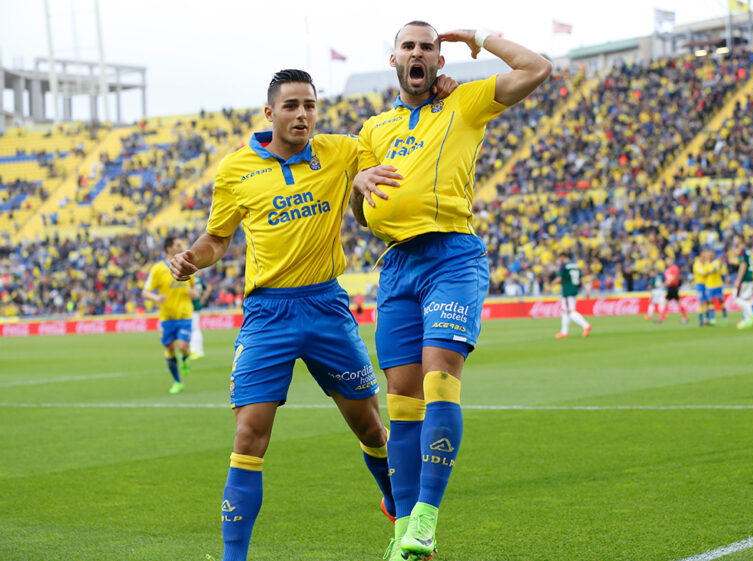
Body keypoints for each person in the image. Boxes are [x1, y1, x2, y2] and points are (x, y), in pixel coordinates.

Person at [169, 69, 456, 561]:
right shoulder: (235, 169)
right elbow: (217, 238)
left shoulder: (340, 150)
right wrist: (194, 258)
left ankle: (395, 502)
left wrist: (436, 91)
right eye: (291, 106)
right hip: (266, 315)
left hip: (327, 308)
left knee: (370, 426)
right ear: (269, 113)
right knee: (248, 435)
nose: (302, 114)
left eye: (310, 105)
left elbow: (397, 129)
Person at [351, 21, 551, 560]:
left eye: (428, 47)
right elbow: (362, 210)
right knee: (402, 402)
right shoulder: (373, 129)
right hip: (394, 265)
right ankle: (402, 540)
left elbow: (537, 69)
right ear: (393, 57)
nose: (417, 53)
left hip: (450, 257)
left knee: (440, 376)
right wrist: (356, 186)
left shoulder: (463, 103)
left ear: (439, 61)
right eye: (409, 46)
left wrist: (482, 38)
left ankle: (426, 519)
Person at [142, 235, 197, 394]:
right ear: (169, 248)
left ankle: (185, 358)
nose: (181, 247)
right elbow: (145, 292)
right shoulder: (157, 269)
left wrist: (194, 292)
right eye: (178, 245)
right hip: (166, 317)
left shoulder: (187, 266)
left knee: (183, 346)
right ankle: (177, 381)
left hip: (185, 314)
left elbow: (194, 287)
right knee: (170, 349)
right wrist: (156, 298)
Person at [555, 252, 592, 339]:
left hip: (567, 291)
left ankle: (585, 325)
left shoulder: (565, 266)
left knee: (570, 311)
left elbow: (559, 278)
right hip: (574, 290)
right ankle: (564, 332)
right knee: (565, 311)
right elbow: (581, 278)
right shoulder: (576, 265)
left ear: (563, 257)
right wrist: (586, 290)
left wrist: (550, 286)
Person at [734, 235, 753, 329]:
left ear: (740, 240)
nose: (734, 240)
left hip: (747, 279)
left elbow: (743, 265)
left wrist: (738, 279)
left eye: (735, 238)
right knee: (748, 299)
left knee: (740, 299)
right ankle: (751, 317)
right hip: (750, 278)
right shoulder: (748, 253)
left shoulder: (744, 251)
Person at [658, 255, 688, 324]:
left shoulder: (674, 268)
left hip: (673, 287)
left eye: (668, 260)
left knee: (672, 302)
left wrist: (664, 284)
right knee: (670, 302)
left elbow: (673, 278)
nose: (667, 262)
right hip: (670, 288)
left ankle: (661, 318)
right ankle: (661, 318)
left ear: (671, 261)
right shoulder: (668, 269)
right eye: (666, 261)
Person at [190, 274, 212, 359]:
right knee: (195, 328)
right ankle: (199, 350)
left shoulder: (189, 278)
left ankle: (195, 351)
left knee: (194, 329)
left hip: (191, 306)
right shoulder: (198, 278)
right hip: (197, 305)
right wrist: (202, 300)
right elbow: (206, 290)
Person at [704, 248, 727, 325]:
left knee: (721, 301)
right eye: (709, 254)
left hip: (718, 285)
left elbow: (715, 271)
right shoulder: (706, 263)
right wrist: (709, 272)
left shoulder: (716, 262)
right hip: (709, 285)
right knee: (711, 301)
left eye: (711, 254)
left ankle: (725, 317)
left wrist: (709, 272)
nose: (710, 255)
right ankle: (712, 319)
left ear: (713, 255)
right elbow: (705, 273)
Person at [692, 251, 709, 327]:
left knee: (705, 302)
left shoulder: (703, 264)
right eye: (704, 256)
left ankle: (705, 320)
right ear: (700, 257)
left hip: (705, 284)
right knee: (702, 302)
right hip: (699, 285)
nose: (705, 258)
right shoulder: (697, 264)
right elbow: (703, 273)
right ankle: (701, 321)